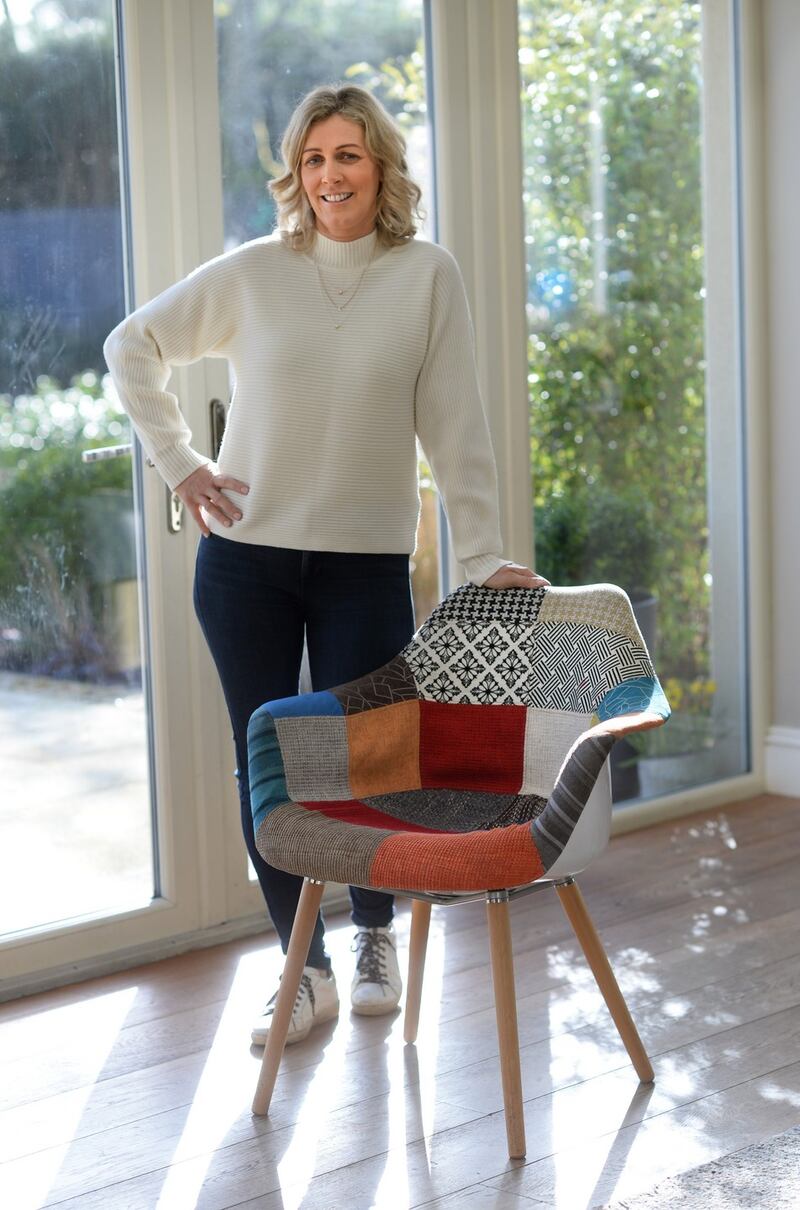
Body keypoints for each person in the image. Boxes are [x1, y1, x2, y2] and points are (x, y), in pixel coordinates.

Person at [104, 83, 548, 1047]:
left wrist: (483, 559)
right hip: (245, 563)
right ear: (294, 175)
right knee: (266, 765)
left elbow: (457, 429)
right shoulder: (256, 274)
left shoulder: (426, 275)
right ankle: (301, 968)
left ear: (380, 166)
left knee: (372, 758)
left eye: (346, 156)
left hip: (364, 565)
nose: (328, 175)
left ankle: (374, 934)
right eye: (312, 159)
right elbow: (130, 345)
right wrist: (181, 465)